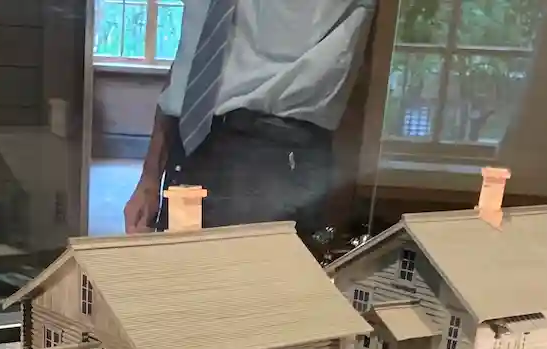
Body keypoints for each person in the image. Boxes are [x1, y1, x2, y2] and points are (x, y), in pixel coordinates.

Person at [124, 0, 376, 239]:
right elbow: (191, 55)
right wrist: (150, 175)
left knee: (251, 270)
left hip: (274, 151)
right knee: (178, 267)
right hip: (189, 143)